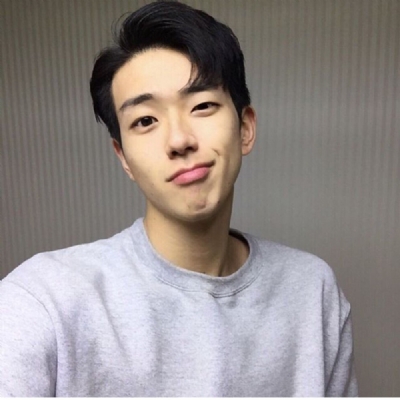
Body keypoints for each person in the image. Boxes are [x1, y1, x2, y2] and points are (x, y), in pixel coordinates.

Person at [0, 0, 357, 396]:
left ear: (245, 128)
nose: (179, 140)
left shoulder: (313, 291)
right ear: (123, 157)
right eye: (145, 121)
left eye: (202, 106)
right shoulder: (44, 300)